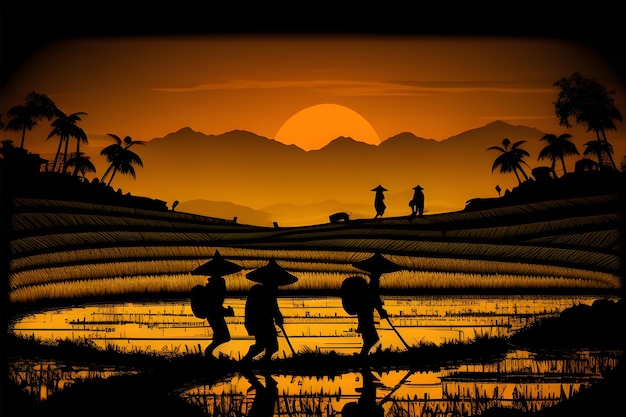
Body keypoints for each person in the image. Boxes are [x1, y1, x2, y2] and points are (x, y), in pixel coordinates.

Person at [242, 259, 298, 363]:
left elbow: (273, 307)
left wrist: (277, 316)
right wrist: (277, 316)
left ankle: (263, 361)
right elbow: (271, 307)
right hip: (260, 322)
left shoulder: (262, 290)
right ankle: (247, 361)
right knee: (266, 345)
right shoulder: (262, 291)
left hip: (262, 321)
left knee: (269, 346)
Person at [190, 250, 243, 359]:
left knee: (221, 336)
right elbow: (214, 304)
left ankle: (209, 354)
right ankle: (208, 353)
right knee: (223, 336)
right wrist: (225, 311)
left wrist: (224, 311)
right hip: (213, 313)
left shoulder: (215, 284)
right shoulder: (216, 285)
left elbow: (215, 303)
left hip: (214, 313)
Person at [351, 252, 404, 356]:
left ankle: (363, 356)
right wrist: (380, 311)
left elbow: (374, 298)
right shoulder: (373, 283)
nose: (380, 275)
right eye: (379, 273)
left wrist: (380, 310)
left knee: (370, 337)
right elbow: (373, 298)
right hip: (365, 312)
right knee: (371, 338)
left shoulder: (371, 283)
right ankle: (363, 357)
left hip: (365, 312)